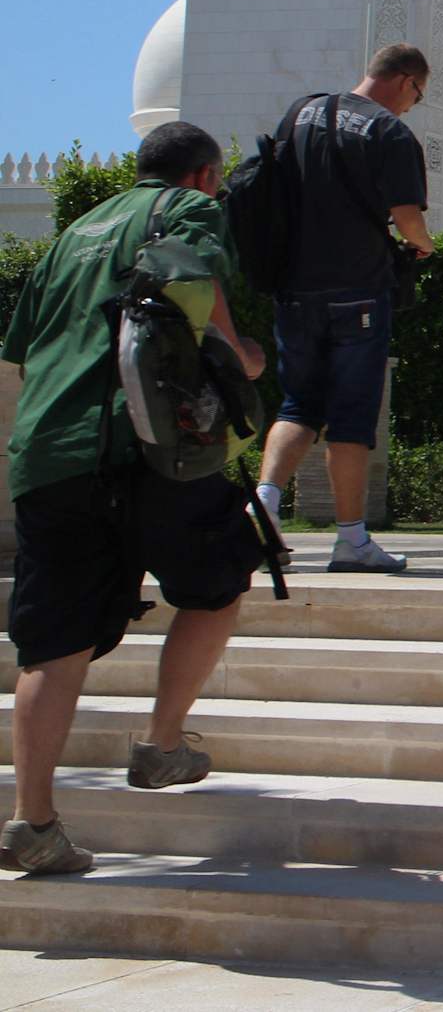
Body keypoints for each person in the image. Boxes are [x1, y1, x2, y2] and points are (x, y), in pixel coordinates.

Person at [4, 121, 269, 875]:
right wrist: (241, 355)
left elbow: (22, 352)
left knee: (52, 643)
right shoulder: (189, 208)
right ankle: (161, 744)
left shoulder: (71, 235)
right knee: (220, 579)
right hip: (148, 443)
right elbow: (195, 283)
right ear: (205, 176)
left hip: (49, 452)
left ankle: (33, 823)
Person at [251, 44, 435, 574]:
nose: (412, 106)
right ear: (405, 81)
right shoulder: (390, 132)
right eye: (418, 96)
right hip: (358, 291)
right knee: (351, 418)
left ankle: (263, 502)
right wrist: (424, 245)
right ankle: (351, 540)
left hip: (294, 289)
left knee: (298, 406)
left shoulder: (300, 113)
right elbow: (406, 216)